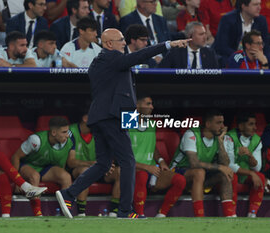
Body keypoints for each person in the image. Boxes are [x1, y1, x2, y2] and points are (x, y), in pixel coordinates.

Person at [55, 28, 190, 219]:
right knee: (128, 162)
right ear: (109, 44)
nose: (124, 43)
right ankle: (125, 211)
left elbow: (123, 94)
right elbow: (139, 56)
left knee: (103, 164)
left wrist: (131, 121)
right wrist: (167, 45)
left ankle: (68, 193)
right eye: (121, 40)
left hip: (105, 117)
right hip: (112, 117)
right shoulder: (110, 58)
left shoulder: (104, 62)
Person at [170, 110, 235, 217]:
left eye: (223, 122)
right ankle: (199, 217)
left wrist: (220, 140)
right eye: (218, 123)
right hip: (178, 173)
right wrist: (220, 167)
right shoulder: (191, 134)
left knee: (225, 175)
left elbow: (225, 164)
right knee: (199, 172)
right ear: (208, 124)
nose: (223, 126)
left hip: (201, 177)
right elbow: (194, 163)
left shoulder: (218, 136)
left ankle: (229, 216)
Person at [130, 96, 186, 217]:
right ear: (137, 106)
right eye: (148, 104)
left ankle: (161, 214)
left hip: (151, 169)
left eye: (152, 104)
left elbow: (152, 146)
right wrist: (145, 167)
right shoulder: (127, 123)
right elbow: (121, 153)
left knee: (180, 180)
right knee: (142, 175)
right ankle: (139, 214)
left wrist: (161, 161)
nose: (152, 107)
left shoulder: (151, 123)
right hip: (132, 170)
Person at [11, 117, 76, 216]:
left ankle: (66, 212)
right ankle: (37, 213)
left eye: (67, 132)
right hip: (27, 166)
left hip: (45, 168)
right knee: (35, 176)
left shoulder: (68, 141)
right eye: (64, 132)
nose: (67, 135)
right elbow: (16, 157)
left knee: (66, 177)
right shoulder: (36, 140)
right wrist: (16, 181)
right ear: (54, 133)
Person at [68, 113, 121, 217]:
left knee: (120, 172)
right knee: (85, 171)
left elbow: (110, 155)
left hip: (100, 169)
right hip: (77, 169)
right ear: (85, 118)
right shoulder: (71, 132)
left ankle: (113, 212)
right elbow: (71, 162)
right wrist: (93, 164)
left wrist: (107, 164)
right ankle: (81, 213)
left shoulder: (100, 132)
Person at [224, 112, 265, 217]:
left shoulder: (256, 140)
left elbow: (257, 167)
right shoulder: (229, 137)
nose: (255, 128)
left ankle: (252, 214)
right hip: (231, 175)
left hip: (245, 176)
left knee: (260, 177)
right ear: (241, 126)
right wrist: (251, 173)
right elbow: (229, 165)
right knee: (231, 176)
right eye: (251, 124)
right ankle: (232, 213)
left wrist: (250, 155)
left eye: (255, 124)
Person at [214, 0, 270, 67]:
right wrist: (244, 56)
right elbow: (222, 47)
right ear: (243, 6)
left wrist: (264, 58)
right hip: (231, 56)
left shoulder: (261, 21)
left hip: (253, 57)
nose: (259, 7)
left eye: (259, 4)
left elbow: (265, 45)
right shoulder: (228, 19)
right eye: (255, 5)